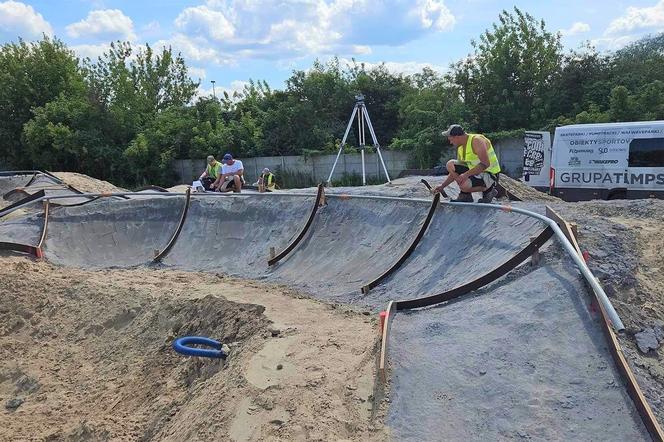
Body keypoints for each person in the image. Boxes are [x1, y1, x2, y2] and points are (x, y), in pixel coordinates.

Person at [432, 124, 501, 203]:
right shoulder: (461, 148)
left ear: (457, 137)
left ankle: (489, 191)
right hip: (476, 173)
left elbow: (485, 164)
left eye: (451, 139)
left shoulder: (477, 140)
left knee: (464, 185)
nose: (450, 142)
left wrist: (465, 175)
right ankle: (465, 195)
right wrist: (442, 186)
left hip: (489, 174)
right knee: (450, 165)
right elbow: (456, 171)